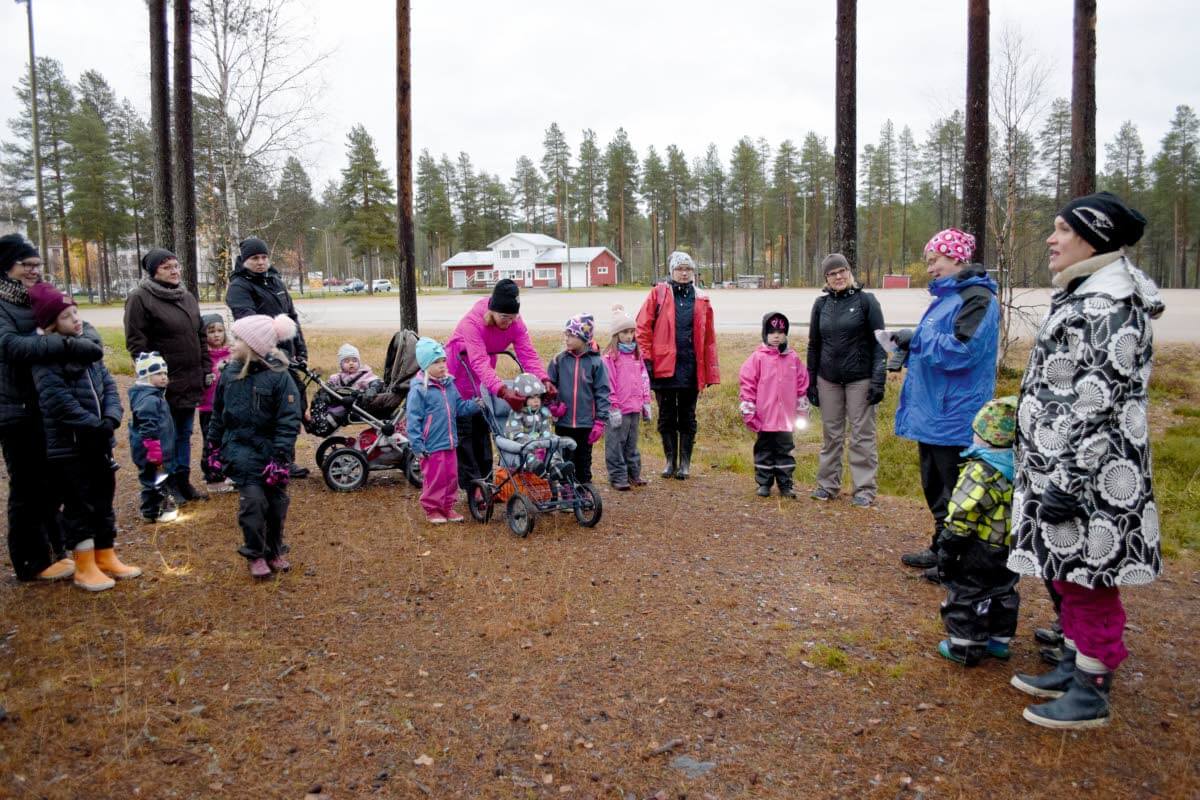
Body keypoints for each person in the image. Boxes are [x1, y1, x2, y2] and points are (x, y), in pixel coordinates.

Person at [1006, 192, 1163, 730]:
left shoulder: (1112, 306)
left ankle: (1092, 689)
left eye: (1062, 230)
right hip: (1062, 468)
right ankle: (1074, 663)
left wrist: (1068, 481)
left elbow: (1098, 404)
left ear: (1093, 238)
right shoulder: (1085, 294)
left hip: (1092, 476)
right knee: (1069, 572)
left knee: (1090, 580)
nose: (1051, 239)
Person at [888, 228, 999, 581]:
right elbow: (936, 346)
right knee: (936, 488)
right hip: (933, 413)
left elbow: (961, 351)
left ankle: (958, 562)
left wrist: (918, 338)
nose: (930, 268)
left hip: (954, 415)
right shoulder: (947, 298)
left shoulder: (977, 298)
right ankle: (941, 548)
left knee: (957, 491)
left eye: (935, 260)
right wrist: (908, 347)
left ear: (957, 258)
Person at [0, 233, 101, 581]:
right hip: (15, 407)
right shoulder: (3, 304)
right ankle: (31, 561)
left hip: (46, 404)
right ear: (6, 266)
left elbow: (80, 325)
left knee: (53, 482)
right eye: (26, 265)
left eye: (37, 265)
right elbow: (10, 346)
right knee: (27, 485)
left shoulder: (41, 295)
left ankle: (56, 550)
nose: (33, 270)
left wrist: (78, 341)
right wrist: (66, 344)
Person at [29, 283, 140, 592]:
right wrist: (93, 426)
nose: (76, 319)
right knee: (80, 503)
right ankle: (84, 564)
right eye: (66, 316)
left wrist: (111, 417)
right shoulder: (46, 358)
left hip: (99, 442)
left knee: (104, 498)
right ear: (51, 325)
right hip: (71, 446)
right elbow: (56, 401)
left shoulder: (87, 348)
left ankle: (105, 553)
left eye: (76, 312)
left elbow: (107, 385)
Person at [206, 314, 302, 579]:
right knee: (253, 504)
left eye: (238, 339)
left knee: (277, 505)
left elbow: (288, 419)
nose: (232, 344)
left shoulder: (280, 377)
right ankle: (255, 553)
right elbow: (218, 414)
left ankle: (274, 549)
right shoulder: (229, 374)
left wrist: (281, 456)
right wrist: (212, 448)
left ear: (254, 346)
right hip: (241, 452)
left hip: (272, 454)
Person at [124, 248, 212, 503]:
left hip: (190, 378)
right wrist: (152, 376)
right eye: (166, 267)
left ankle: (182, 480)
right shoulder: (140, 298)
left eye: (176, 266)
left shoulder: (186, 296)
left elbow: (200, 336)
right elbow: (136, 343)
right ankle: (167, 483)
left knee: (184, 433)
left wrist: (206, 368)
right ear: (153, 272)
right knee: (165, 436)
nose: (174, 271)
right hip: (163, 382)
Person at [936, 396, 1019, 666]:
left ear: (985, 436)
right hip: (1010, 544)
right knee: (1003, 590)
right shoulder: (1021, 467)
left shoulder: (980, 471)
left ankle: (964, 646)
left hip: (980, 545)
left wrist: (949, 543)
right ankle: (999, 639)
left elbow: (964, 511)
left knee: (967, 591)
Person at [446, 278, 550, 489]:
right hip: (459, 371)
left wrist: (543, 380)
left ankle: (486, 481)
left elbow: (527, 354)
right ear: (492, 311)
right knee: (465, 431)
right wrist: (502, 391)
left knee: (483, 426)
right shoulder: (472, 323)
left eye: (513, 317)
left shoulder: (515, 322)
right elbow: (478, 361)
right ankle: (472, 486)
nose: (509, 322)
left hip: (483, 375)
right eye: (504, 317)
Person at [224, 236, 309, 478]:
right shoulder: (239, 287)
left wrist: (300, 348)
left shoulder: (275, 281)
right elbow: (248, 321)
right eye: (254, 258)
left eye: (263, 257)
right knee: (266, 410)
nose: (260, 262)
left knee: (290, 406)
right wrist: (270, 349)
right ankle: (263, 460)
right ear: (244, 260)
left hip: (287, 353)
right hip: (260, 357)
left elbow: (292, 317)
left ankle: (285, 459)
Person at [806, 253, 886, 507]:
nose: (838, 277)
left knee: (862, 435)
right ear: (826, 278)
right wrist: (811, 381)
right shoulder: (821, 305)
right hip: (828, 379)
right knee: (831, 435)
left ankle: (864, 489)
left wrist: (878, 379)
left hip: (860, 379)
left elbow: (880, 343)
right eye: (832, 274)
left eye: (842, 271)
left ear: (850, 272)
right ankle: (827, 485)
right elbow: (814, 345)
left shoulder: (866, 301)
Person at [635, 251, 719, 479]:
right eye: (679, 269)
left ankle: (685, 464)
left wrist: (710, 370)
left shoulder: (702, 298)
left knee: (688, 416)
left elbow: (709, 338)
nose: (684, 273)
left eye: (688, 269)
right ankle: (670, 461)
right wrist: (647, 360)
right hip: (663, 367)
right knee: (666, 415)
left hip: (690, 368)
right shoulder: (658, 294)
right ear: (671, 271)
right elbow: (642, 327)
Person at [406, 337, 482, 524]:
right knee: (435, 478)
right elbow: (413, 420)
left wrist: (475, 405)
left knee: (451, 477)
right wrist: (417, 444)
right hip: (431, 445)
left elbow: (459, 408)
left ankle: (448, 507)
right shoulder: (419, 390)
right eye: (435, 362)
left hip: (450, 442)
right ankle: (433, 509)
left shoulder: (449, 385)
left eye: (443, 361)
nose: (441, 366)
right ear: (425, 365)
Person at [738, 311, 810, 498]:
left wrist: (802, 410)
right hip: (764, 418)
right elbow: (748, 385)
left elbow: (801, 385)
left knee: (785, 451)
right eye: (771, 332)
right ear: (765, 334)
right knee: (764, 451)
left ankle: (785, 484)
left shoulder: (793, 359)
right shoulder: (757, 358)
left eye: (780, 332)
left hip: (786, 419)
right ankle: (764, 483)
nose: (776, 336)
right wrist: (749, 410)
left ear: (786, 334)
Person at [547, 314, 611, 486]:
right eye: (566, 334)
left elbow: (603, 392)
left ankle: (584, 490)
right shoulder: (558, 360)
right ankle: (566, 491)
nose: (566, 339)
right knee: (564, 461)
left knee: (583, 461)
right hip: (563, 422)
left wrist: (600, 421)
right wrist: (552, 406)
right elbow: (548, 387)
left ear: (583, 338)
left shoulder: (596, 363)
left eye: (571, 335)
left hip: (586, 424)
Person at [601, 305, 652, 490]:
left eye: (631, 332)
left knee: (631, 443)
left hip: (634, 407)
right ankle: (617, 476)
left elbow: (644, 378)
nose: (629, 336)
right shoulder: (610, 358)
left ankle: (633, 473)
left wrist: (646, 402)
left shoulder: (637, 356)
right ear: (616, 334)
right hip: (618, 409)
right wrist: (613, 407)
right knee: (616, 443)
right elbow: (608, 384)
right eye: (624, 332)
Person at [128, 353, 179, 523]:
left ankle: (157, 509)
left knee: (159, 478)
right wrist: (153, 450)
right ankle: (152, 511)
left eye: (165, 373)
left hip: (159, 449)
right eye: (158, 374)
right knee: (153, 480)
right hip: (152, 452)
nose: (164, 377)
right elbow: (147, 426)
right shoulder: (149, 399)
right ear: (146, 376)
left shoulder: (155, 395)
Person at [198, 313, 233, 490]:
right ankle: (212, 476)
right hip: (208, 407)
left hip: (228, 406)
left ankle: (226, 471)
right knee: (211, 441)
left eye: (220, 330)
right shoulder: (203, 357)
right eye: (211, 331)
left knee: (228, 440)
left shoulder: (231, 354)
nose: (216, 335)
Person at [503, 372, 558, 472]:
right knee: (527, 452)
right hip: (524, 445)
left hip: (540, 444)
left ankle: (556, 466)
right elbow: (513, 433)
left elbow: (545, 430)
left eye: (538, 397)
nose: (536, 401)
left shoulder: (542, 413)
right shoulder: (517, 414)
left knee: (552, 447)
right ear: (523, 399)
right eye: (532, 397)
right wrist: (531, 441)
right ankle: (535, 466)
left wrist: (545, 441)